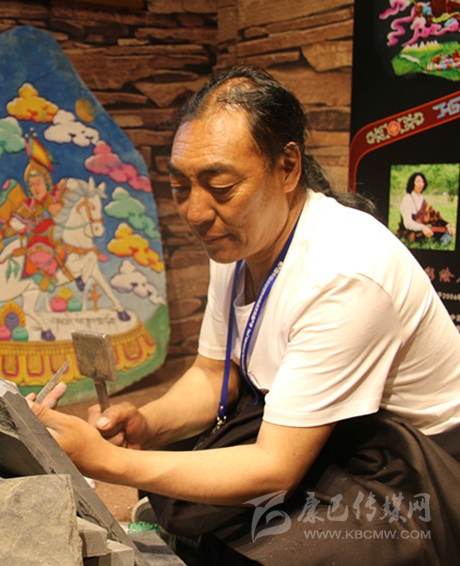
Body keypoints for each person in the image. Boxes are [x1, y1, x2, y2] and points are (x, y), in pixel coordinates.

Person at [31, 66, 460, 563]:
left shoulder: (346, 272)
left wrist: (106, 461)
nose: (195, 212)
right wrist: (147, 423)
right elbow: (215, 373)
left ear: (288, 168)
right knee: (183, 477)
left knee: (283, 547)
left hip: (408, 459)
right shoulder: (239, 240)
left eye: (220, 186)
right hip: (315, 425)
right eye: (180, 185)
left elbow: (274, 466)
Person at [0, 138, 70, 292]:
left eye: (38, 183)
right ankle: (43, 278)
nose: (35, 188)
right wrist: (0, 234)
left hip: (60, 240)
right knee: (40, 257)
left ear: (46, 183)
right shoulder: (28, 206)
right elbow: (13, 225)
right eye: (31, 184)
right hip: (38, 244)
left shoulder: (56, 198)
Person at [396, 171, 455, 245]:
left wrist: (447, 224)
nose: (421, 184)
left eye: (422, 182)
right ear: (412, 183)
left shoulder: (422, 199)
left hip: (422, 231)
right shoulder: (407, 199)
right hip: (409, 233)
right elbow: (407, 223)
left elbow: (433, 216)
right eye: (418, 181)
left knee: (447, 230)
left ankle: (440, 243)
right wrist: (423, 227)